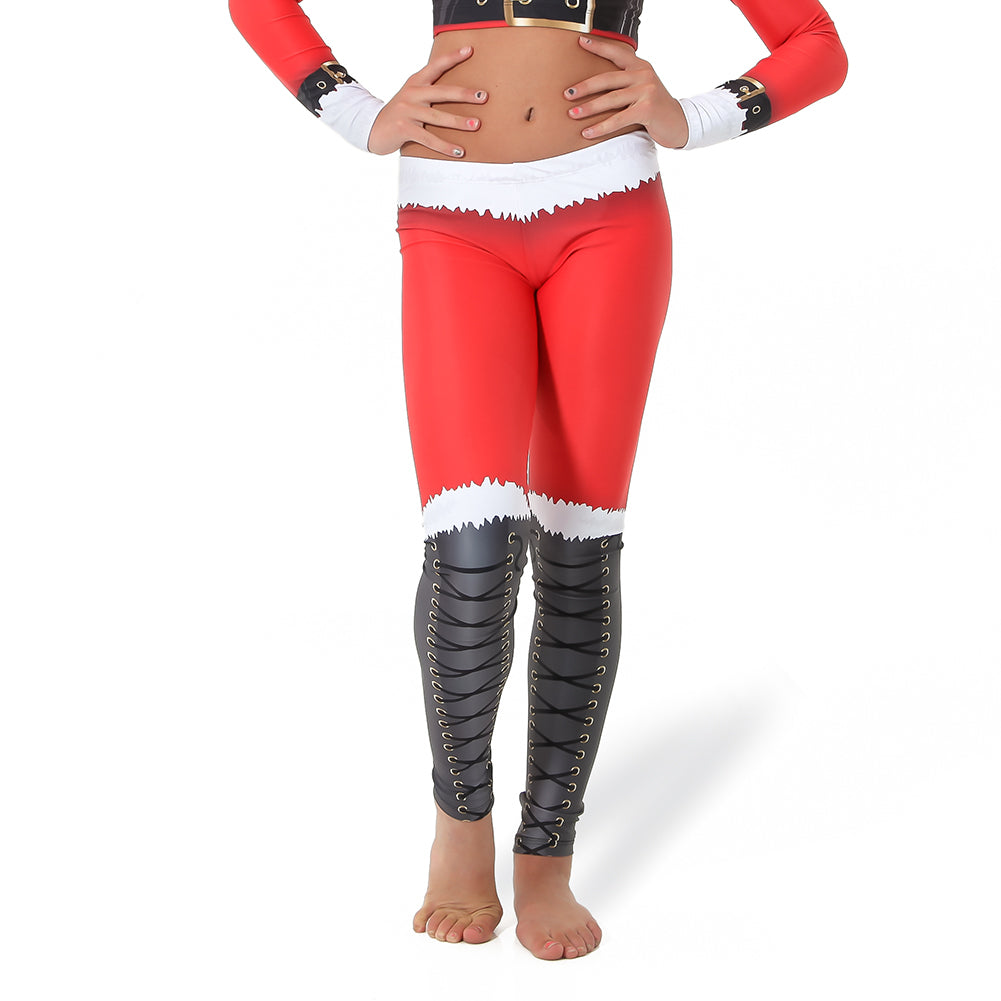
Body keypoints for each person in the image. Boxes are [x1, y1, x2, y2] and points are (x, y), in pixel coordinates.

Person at [229, 0, 848, 961]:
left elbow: (815, 45)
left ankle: (546, 853)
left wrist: (692, 115)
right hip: (451, 214)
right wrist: (353, 110)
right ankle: (460, 824)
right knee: (469, 550)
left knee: (576, 549)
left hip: (609, 215)